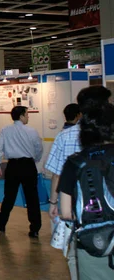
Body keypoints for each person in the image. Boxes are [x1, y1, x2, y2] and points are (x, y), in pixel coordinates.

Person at [45, 86, 112, 280]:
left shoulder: (73, 152)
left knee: (76, 257)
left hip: (89, 228)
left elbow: (57, 175)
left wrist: (53, 202)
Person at [0, 106, 43, 237]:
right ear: (21, 116)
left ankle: (2, 222)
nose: (28, 116)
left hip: (12, 166)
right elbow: (38, 148)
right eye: (27, 114)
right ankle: (35, 228)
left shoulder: (5, 130)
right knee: (32, 198)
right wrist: (35, 160)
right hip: (28, 165)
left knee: (9, 197)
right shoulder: (32, 131)